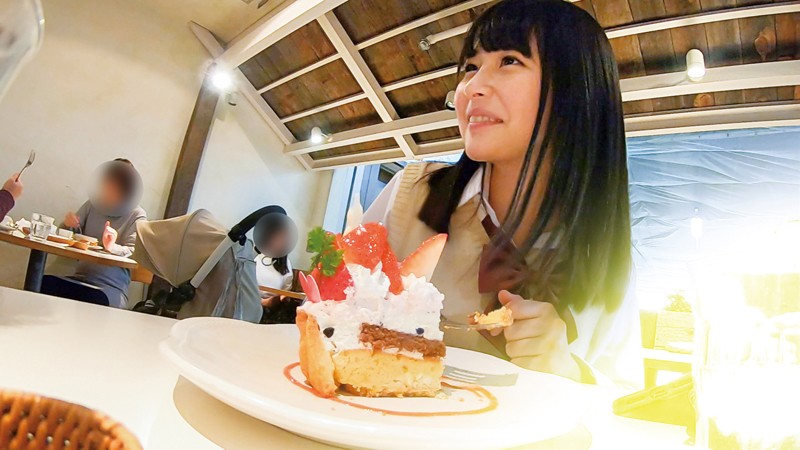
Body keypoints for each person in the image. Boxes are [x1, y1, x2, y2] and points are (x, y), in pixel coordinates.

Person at [364, 0, 641, 386]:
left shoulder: (605, 255)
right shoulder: (409, 195)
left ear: (576, 92)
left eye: (509, 60)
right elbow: (330, 318)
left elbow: (624, 399)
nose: (471, 87)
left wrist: (567, 369)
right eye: (471, 67)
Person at [61, 158, 147, 308]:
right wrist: (68, 225)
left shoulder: (137, 214)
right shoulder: (93, 204)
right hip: (80, 279)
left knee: (90, 300)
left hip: (110, 288)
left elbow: (135, 252)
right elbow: (71, 234)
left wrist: (112, 247)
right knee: (43, 284)